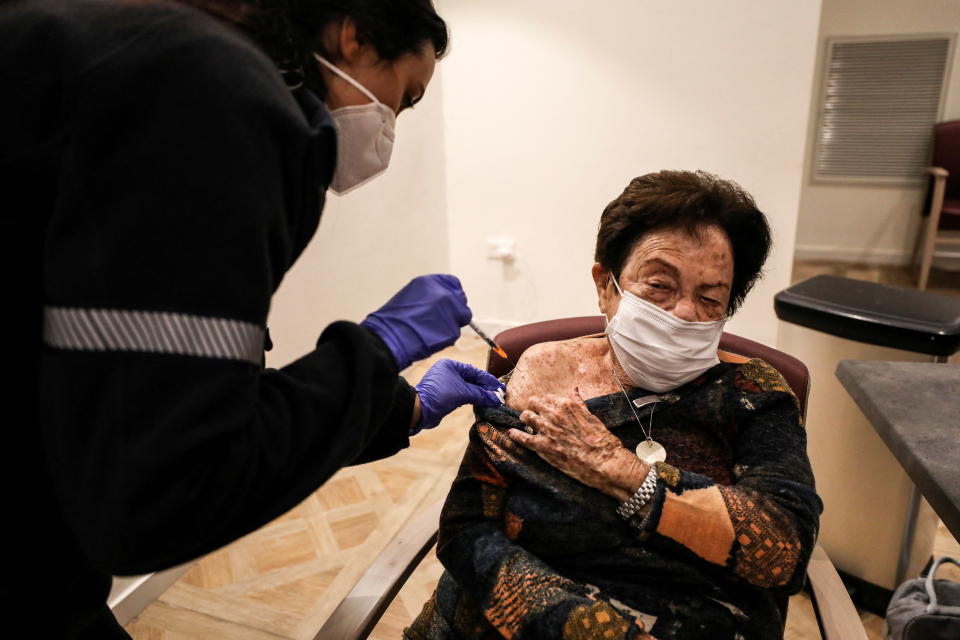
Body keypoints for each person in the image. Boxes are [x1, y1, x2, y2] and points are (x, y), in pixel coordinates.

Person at [0, 0, 504, 637]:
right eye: (402, 99)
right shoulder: (214, 92)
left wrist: (402, 407)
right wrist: (376, 349)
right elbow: (160, 490)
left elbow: (173, 390)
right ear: (352, 35)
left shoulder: (147, 46)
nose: (388, 131)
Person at [406, 171, 823, 640]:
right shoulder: (546, 373)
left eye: (710, 297)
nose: (685, 312)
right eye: (660, 286)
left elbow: (783, 552)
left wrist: (623, 471)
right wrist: (592, 629)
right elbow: (466, 529)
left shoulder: (753, 393)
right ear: (606, 286)